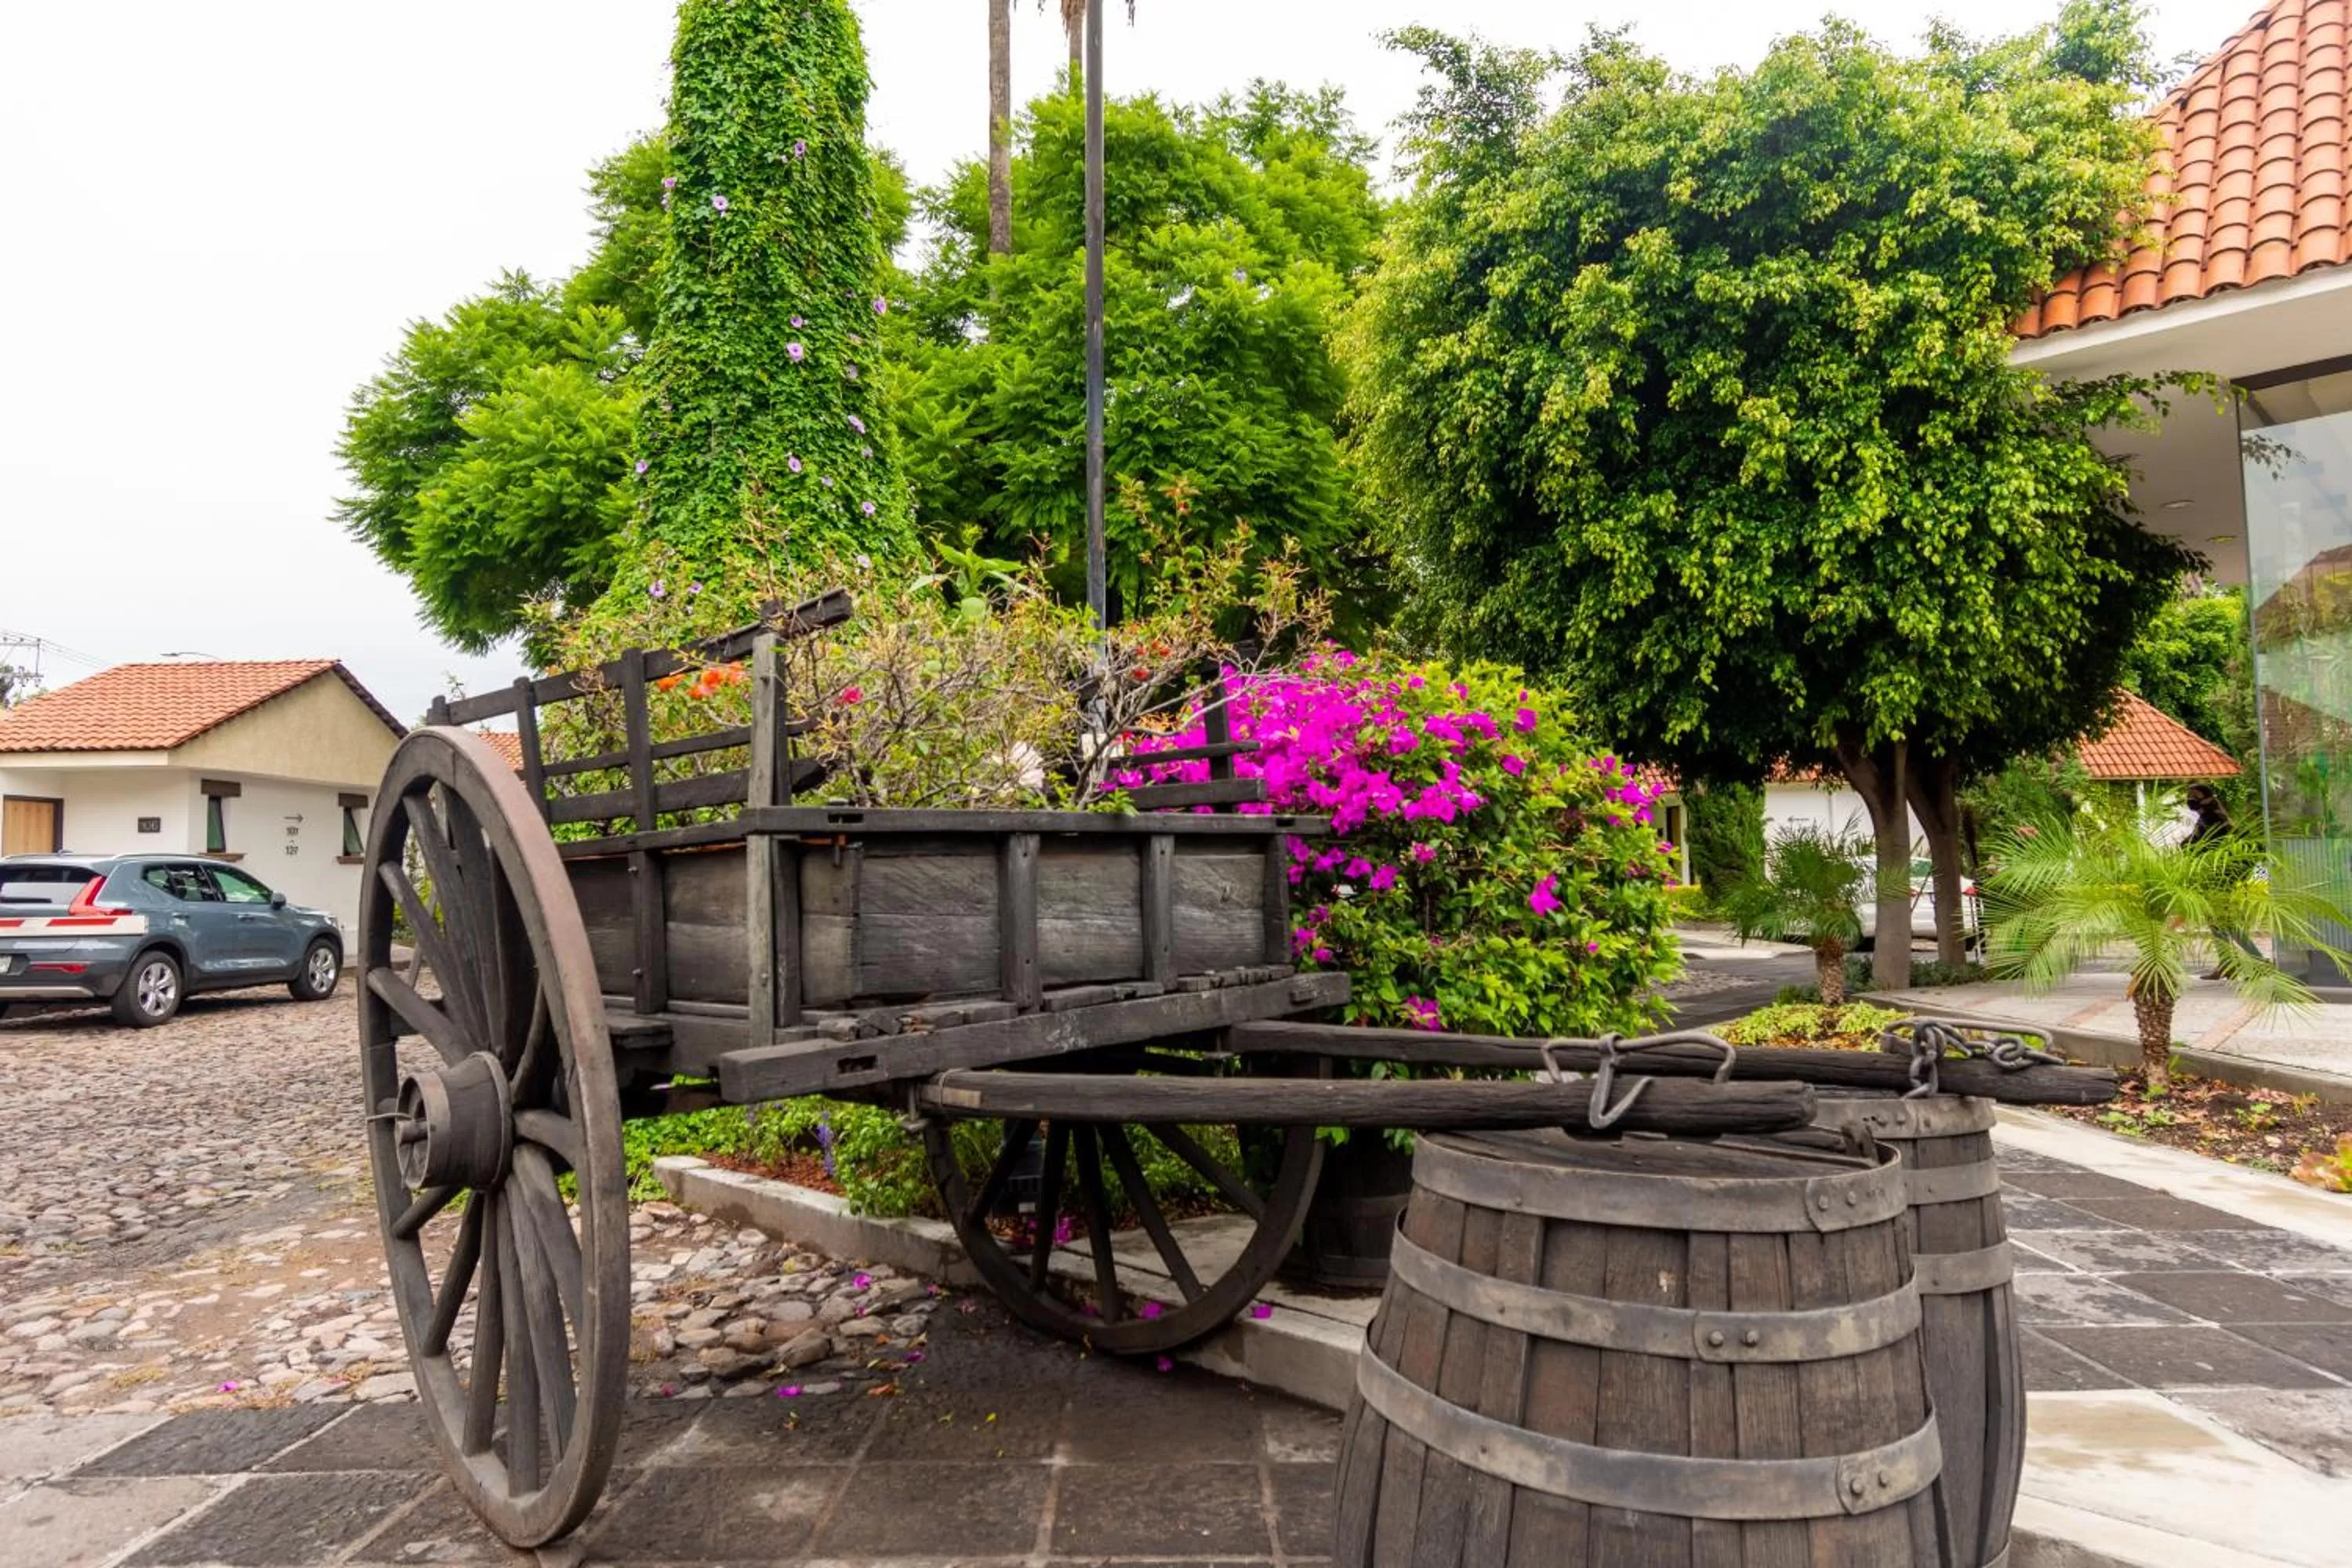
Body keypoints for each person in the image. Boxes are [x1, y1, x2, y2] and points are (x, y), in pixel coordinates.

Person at [2183, 784, 2264, 977]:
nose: (2190, 801)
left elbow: (2204, 846)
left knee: (2224, 921)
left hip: (2218, 878)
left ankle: (2259, 960)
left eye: (2193, 796)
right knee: (2217, 922)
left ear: (2206, 798)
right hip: (2214, 877)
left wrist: (2186, 846)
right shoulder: (2212, 818)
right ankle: (2228, 963)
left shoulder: (2214, 820)